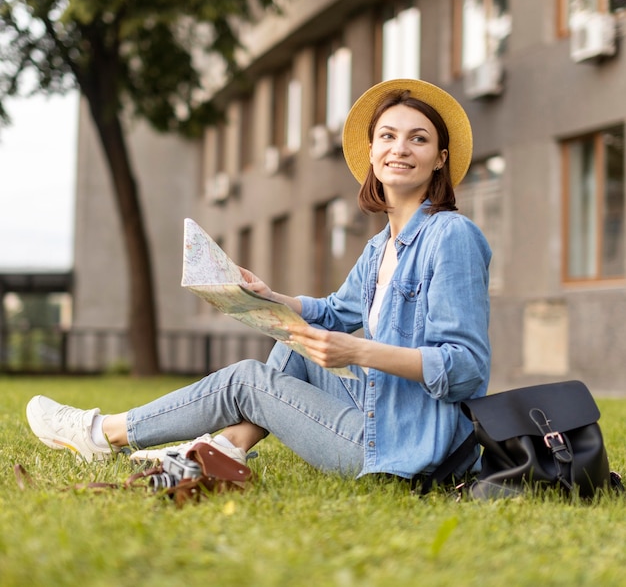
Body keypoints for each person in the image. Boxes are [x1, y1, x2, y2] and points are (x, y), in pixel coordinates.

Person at [26, 78, 492, 482]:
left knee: (247, 380)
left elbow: (466, 367)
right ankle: (225, 450)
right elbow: (335, 312)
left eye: (418, 139)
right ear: (371, 152)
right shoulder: (380, 246)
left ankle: (101, 433)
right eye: (388, 136)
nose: (400, 149)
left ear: (439, 159)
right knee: (295, 340)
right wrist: (270, 297)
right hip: (380, 412)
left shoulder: (452, 236)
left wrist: (358, 351)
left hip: (408, 447)